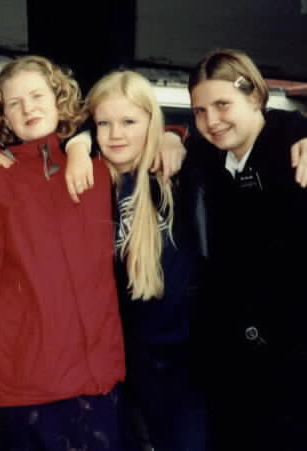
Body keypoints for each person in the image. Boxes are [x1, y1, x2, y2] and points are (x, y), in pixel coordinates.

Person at [0, 55, 125, 451]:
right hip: (30, 390)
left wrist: (171, 138)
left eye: (36, 95)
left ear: (58, 97)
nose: (28, 108)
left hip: (102, 380)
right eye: (14, 103)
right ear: (3, 116)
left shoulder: (100, 170)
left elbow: (145, 130)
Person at [187, 48, 307, 451]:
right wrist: (171, 138)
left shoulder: (295, 158)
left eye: (223, 105)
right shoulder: (212, 160)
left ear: (255, 96)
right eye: (200, 111)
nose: (212, 121)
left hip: (289, 369)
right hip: (235, 366)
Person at [85, 70, 208, 451]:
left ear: (151, 122)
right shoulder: (88, 183)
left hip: (189, 359)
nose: (116, 134)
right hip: (125, 362)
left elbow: (234, 135)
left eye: (129, 122)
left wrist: (175, 137)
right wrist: (77, 144)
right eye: (104, 124)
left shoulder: (176, 174)